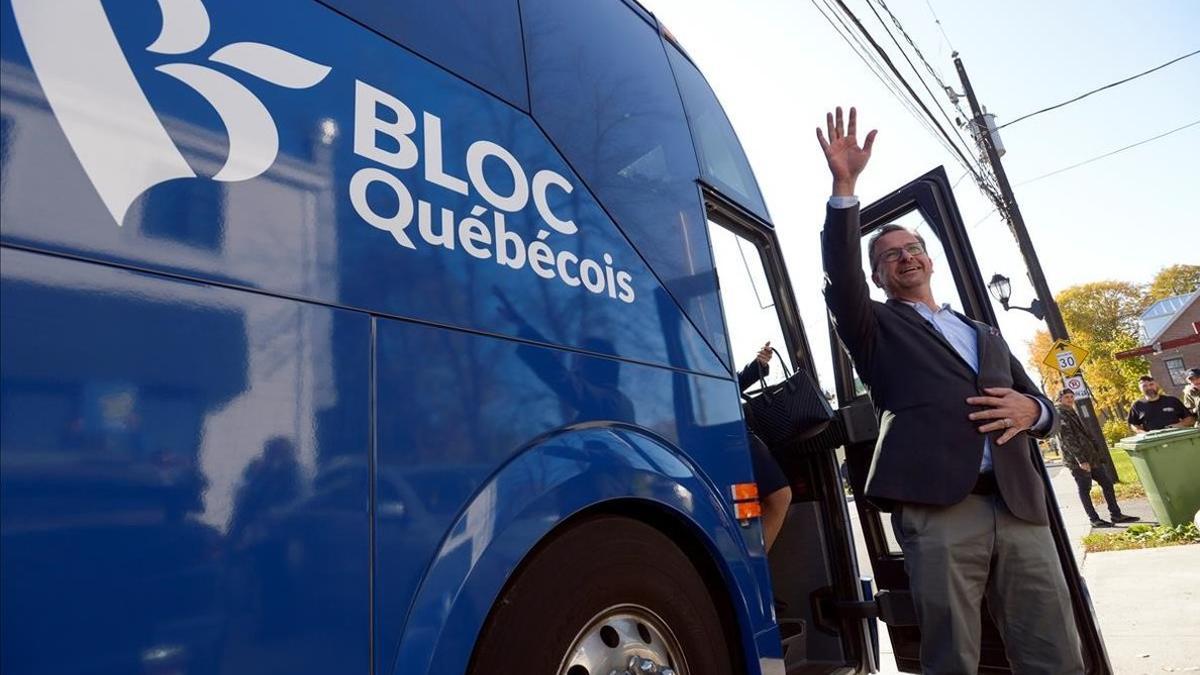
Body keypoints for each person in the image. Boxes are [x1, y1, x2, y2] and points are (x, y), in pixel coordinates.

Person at [817, 106, 1083, 674]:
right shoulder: (874, 327)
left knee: (1053, 647)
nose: (904, 257)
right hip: (940, 509)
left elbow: (1043, 406)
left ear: (930, 258)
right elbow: (839, 275)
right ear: (877, 276)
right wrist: (845, 187)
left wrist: (1032, 410)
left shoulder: (982, 331)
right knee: (951, 654)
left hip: (1018, 503)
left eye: (912, 248)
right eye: (889, 256)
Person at [1055, 389, 1138, 528]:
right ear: (1060, 399)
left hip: (1091, 457)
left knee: (1106, 483)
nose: (1070, 399)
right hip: (1078, 461)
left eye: (1071, 396)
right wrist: (1081, 460)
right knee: (1085, 488)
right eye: (1066, 397)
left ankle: (1116, 514)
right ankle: (1094, 519)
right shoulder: (1060, 414)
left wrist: (1096, 454)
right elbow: (1067, 439)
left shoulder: (1071, 411)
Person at [738, 341, 793, 551]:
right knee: (778, 498)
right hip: (732, 436)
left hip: (728, 436)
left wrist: (757, 366)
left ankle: (749, 567)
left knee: (746, 510)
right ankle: (752, 571)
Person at [1127, 375, 1195, 432]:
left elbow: (1190, 419)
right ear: (1140, 389)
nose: (1149, 388)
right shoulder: (1137, 405)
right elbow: (1133, 424)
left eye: (1151, 384)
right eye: (1144, 386)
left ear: (1156, 385)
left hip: (1176, 437)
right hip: (1154, 441)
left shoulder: (1172, 400)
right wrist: (1142, 433)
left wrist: (1178, 425)